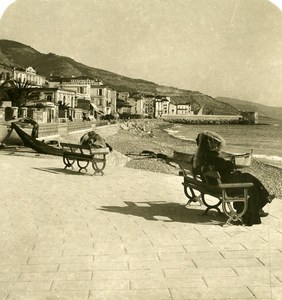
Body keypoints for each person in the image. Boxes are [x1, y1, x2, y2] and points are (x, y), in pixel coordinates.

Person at [192, 131, 274, 226]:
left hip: (212, 183)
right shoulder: (213, 157)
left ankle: (263, 200)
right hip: (222, 185)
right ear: (211, 145)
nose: (218, 147)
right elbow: (228, 166)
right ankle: (261, 202)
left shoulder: (199, 156)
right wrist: (230, 163)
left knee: (246, 177)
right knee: (248, 179)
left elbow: (212, 167)